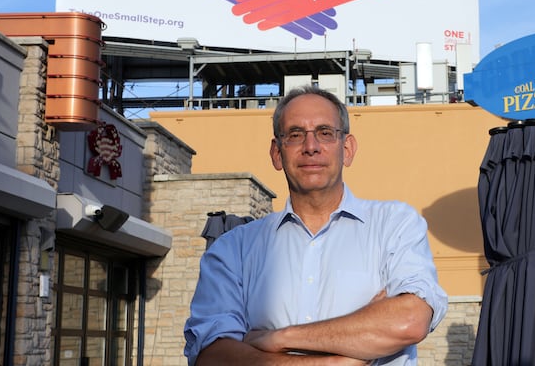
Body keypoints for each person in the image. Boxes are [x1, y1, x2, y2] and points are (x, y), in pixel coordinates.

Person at [184, 85, 448, 365]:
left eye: (325, 133)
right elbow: (212, 355)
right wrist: (336, 361)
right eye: (296, 135)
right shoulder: (233, 250)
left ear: (347, 149)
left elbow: (410, 320)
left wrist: (280, 338)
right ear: (277, 153)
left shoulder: (394, 225)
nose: (311, 147)